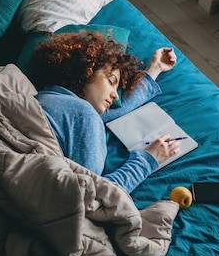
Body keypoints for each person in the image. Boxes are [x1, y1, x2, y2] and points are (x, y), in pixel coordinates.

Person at [29, 31, 180, 193]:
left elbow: (112, 111)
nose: (116, 96)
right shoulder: (85, 115)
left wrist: (154, 69)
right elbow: (90, 194)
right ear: (87, 70)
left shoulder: (45, 98)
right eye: (111, 81)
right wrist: (148, 160)